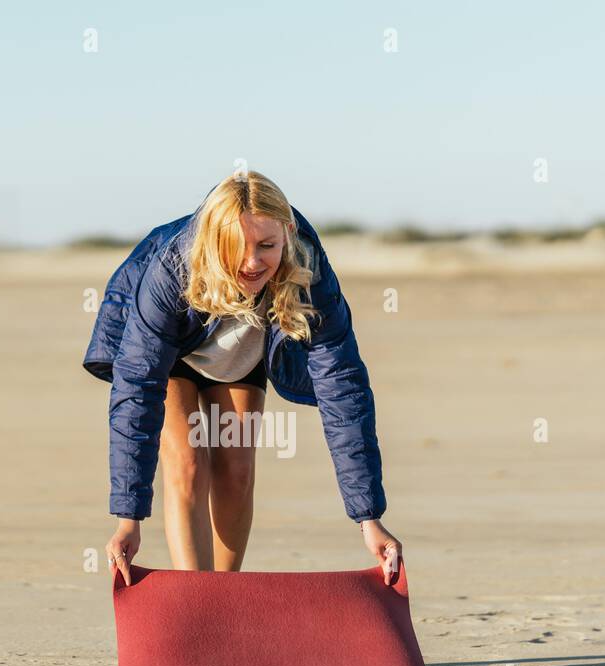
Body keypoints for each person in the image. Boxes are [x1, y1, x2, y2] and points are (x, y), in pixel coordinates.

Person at [81, 170, 400, 585]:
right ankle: (196, 599)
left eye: (267, 245)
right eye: (237, 248)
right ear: (214, 240)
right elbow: (137, 389)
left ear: (286, 233)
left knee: (237, 470)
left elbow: (343, 387)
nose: (252, 263)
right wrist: (128, 519)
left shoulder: (308, 267)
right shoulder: (170, 269)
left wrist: (368, 519)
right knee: (189, 462)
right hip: (173, 352)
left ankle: (224, 596)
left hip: (241, 353)